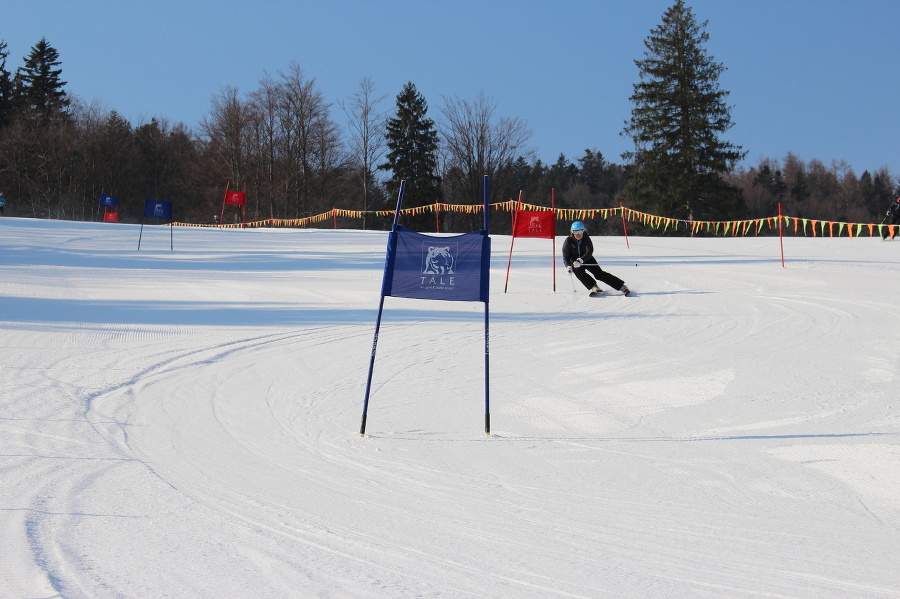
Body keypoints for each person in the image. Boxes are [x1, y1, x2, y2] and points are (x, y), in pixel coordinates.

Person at [562, 221, 630, 296]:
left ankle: (622, 286)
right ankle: (594, 287)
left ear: (583, 231)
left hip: (587, 259)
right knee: (579, 273)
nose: (578, 235)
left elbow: (589, 252)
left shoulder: (586, 239)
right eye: (576, 232)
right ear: (572, 232)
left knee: (599, 274)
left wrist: (581, 260)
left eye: (580, 232)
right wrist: (568, 267)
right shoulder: (568, 241)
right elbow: (565, 256)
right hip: (575, 262)